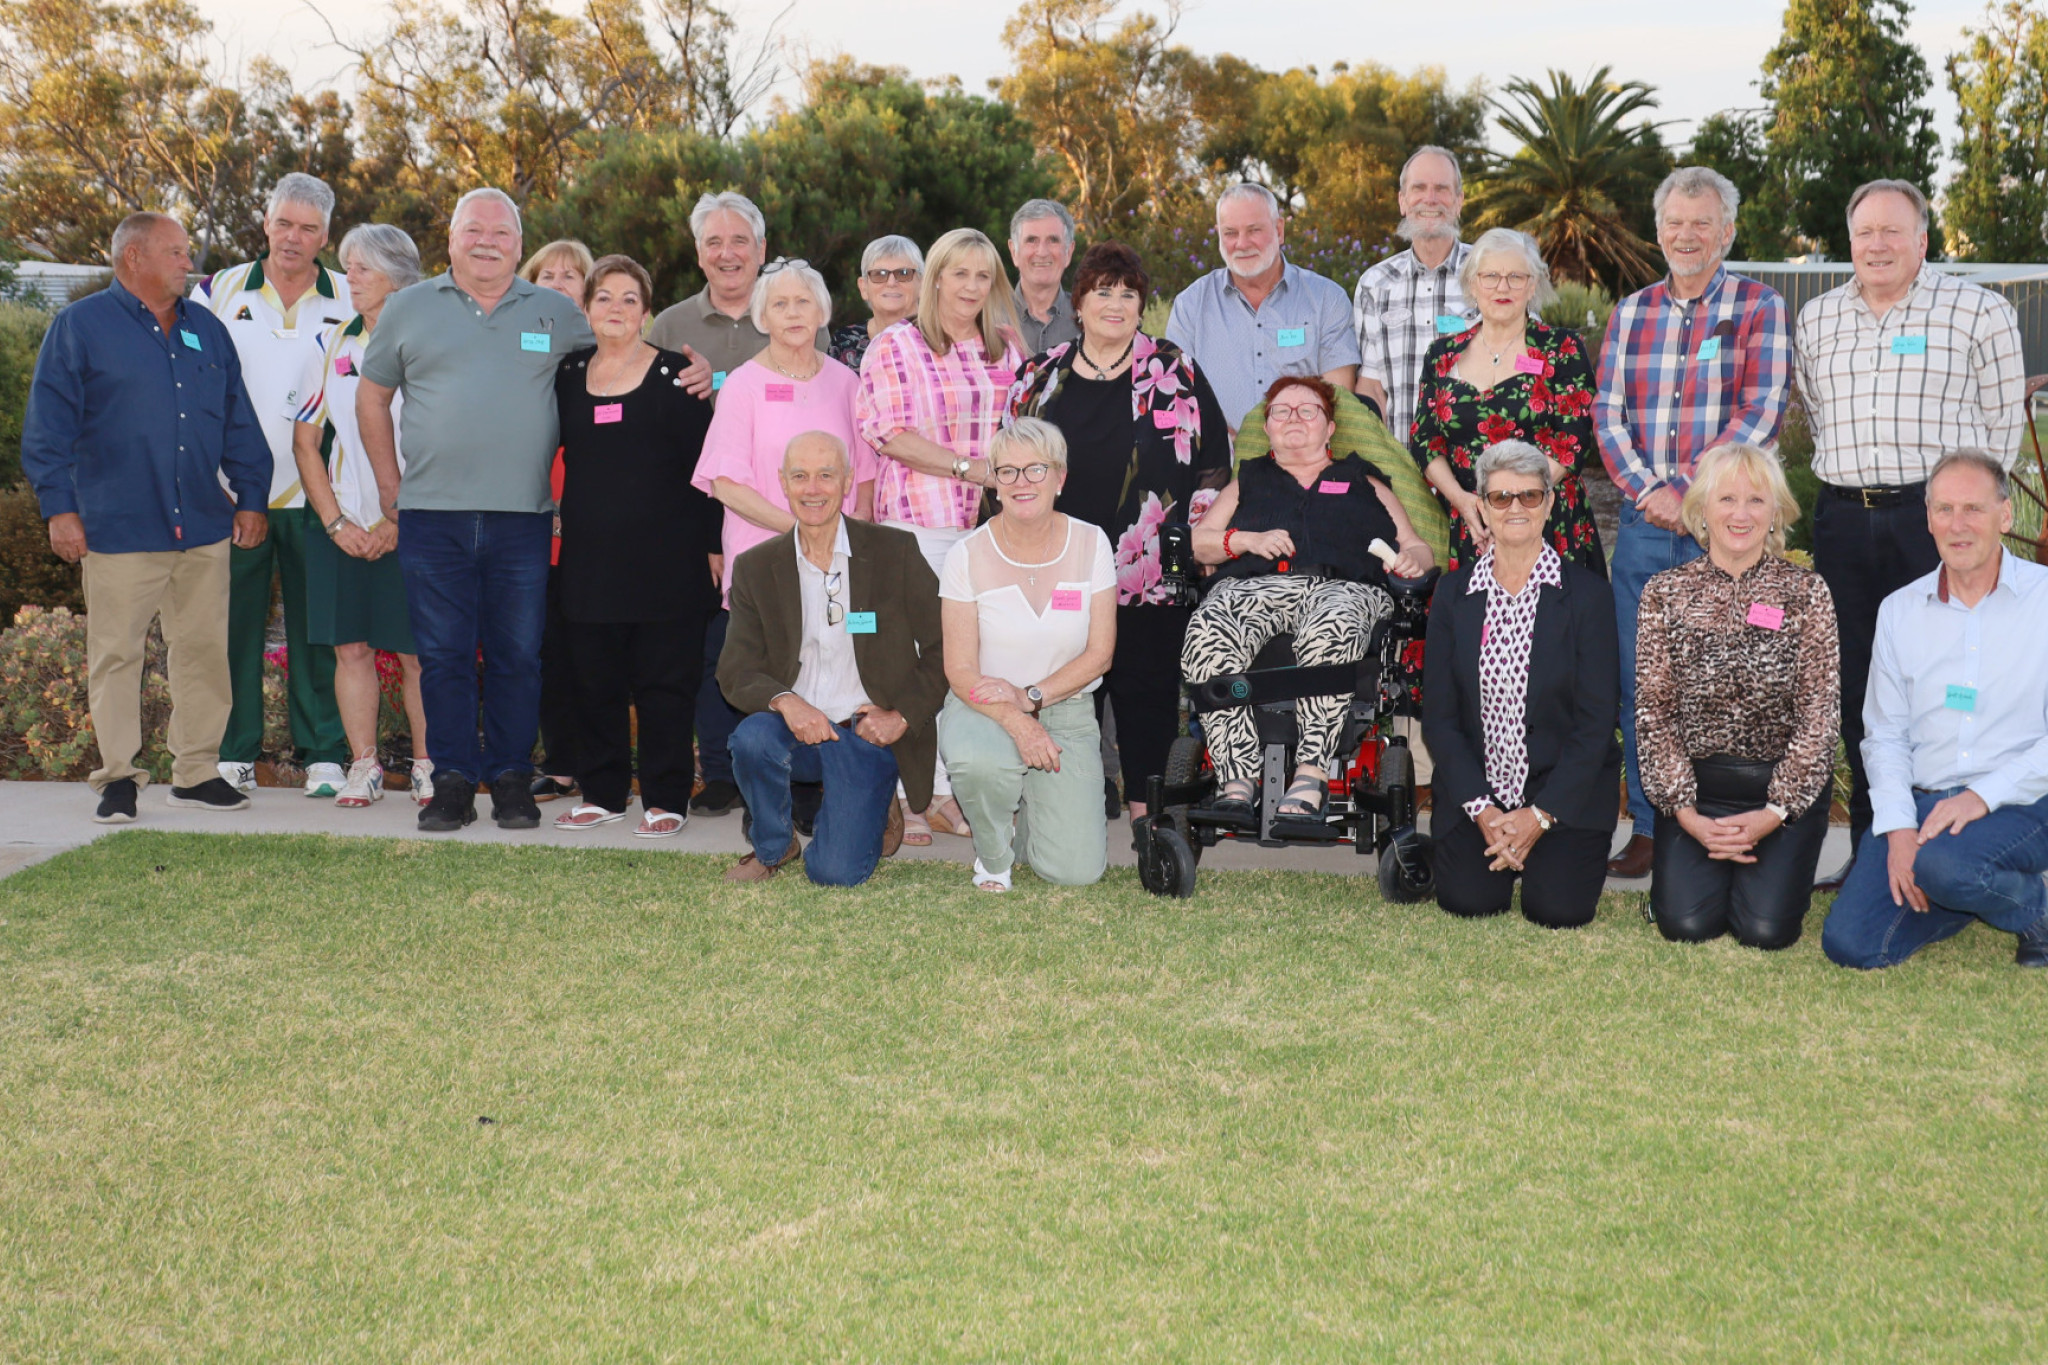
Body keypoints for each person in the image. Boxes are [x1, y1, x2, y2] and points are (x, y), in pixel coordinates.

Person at [1795, 179, 2027, 878]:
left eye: (1893, 231)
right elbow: (1815, 410)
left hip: (1934, 524)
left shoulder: (1977, 312)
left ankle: (1958, 842)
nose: (1877, 245)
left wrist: (1963, 521)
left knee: (1952, 676)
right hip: (1842, 519)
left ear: (1924, 240)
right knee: (1861, 685)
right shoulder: (1818, 319)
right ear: (1849, 241)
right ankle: (1875, 844)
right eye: (1864, 232)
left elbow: (2004, 433)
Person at [356, 187, 596, 832]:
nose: (488, 242)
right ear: (452, 238)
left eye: (502, 233)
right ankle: (454, 781)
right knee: (444, 655)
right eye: (474, 230)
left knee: (520, 656)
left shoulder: (557, 312)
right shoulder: (407, 308)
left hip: (524, 518)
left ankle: (513, 778)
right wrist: (387, 485)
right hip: (432, 517)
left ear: (520, 244)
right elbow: (372, 398)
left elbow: (611, 374)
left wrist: (688, 375)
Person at [21, 212, 271, 821]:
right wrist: (60, 509)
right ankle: (118, 780)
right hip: (118, 527)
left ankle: (195, 772)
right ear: (133, 258)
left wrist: (253, 496)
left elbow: (238, 420)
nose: (190, 262)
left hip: (203, 528)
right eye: (177, 252)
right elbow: (47, 429)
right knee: (116, 656)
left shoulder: (207, 331)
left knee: (204, 652)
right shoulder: (80, 327)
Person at [1597, 166, 1792, 880]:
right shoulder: (1631, 311)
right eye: (1675, 222)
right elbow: (1607, 415)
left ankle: (1727, 823)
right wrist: (1653, 491)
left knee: (1732, 678)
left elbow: (1761, 409)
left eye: (1702, 222)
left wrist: (1691, 493)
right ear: (1659, 230)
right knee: (1641, 681)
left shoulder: (1758, 307)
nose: (1687, 235)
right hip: (1646, 526)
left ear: (1728, 231)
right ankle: (1650, 827)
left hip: (1728, 527)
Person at [1007, 241, 1230, 822]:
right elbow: (1006, 471)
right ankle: (1061, 805)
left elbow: (1212, 465)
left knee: (1148, 693)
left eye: (1128, 294)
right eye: (1102, 291)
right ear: (1077, 303)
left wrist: (1200, 543)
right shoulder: (1040, 377)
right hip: (1057, 569)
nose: (1116, 303)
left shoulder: (1175, 369)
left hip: (1150, 569)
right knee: (1063, 691)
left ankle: (1148, 816)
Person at [1821, 451, 2048, 970]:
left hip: (2024, 801)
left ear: (2005, 516)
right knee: (1854, 945)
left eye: (1973, 508)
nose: (1958, 524)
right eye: (1944, 509)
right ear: (1927, 519)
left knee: (1947, 866)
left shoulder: (2044, 602)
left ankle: (2033, 907)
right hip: (1926, 809)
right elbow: (1884, 736)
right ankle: (1963, 886)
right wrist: (1899, 828)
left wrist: (1980, 797)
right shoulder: (1900, 610)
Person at [646, 191, 823, 820]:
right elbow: (654, 423)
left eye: (740, 241)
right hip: (694, 505)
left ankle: (795, 768)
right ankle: (719, 769)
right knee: (712, 648)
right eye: (714, 242)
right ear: (698, 253)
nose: (728, 253)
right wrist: (706, 539)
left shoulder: (792, 314)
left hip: (770, 509)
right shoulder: (668, 326)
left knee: (786, 642)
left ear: (762, 249)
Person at [1183, 376, 1433, 819]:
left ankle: (1312, 772)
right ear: (1268, 427)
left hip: (1344, 588)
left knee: (1332, 624)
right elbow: (1200, 542)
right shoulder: (1249, 480)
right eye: (1281, 411)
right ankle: (1236, 776)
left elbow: (1413, 544)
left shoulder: (1363, 479)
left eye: (1307, 410)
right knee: (1208, 627)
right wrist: (1243, 540)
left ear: (1330, 428)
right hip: (1253, 587)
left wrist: (1413, 560)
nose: (1293, 417)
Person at [694, 258, 880, 834]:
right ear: (762, 315)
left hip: (836, 564)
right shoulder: (744, 384)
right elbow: (725, 482)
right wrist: (798, 532)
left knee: (834, 667)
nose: (794, 313)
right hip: (765, 560)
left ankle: (818, 786)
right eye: (781, 304)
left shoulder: (846, 383)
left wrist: (853, 542)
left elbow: (866, 474)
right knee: (774, 674)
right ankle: (765, 799)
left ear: (822, 311)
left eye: (804, 302)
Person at [856, 226, 1026, 841]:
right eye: (960, 274)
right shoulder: (897, 345)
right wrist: (970, 469)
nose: (972, 287)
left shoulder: (1005, 347)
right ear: (936, 279)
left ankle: (954, 787)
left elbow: (1019, 428)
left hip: (986, 531)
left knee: (972, 662)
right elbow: (887, 434)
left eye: (983, 276)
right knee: (914, 659)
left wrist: (1004, 481)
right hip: (916, 526)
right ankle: (911, 792)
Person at [718, 432, 947, 885]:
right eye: (800, 476)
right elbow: (736, 669)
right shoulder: (755, 567)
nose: (813, 488)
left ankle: (874, 807)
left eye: (826, 475)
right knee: (750, 740)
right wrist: (787, 701)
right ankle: (773, 845)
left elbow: (946, 648)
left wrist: (900, 716)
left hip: (865, 736)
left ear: (847, 481)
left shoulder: (894, 552)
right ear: (782, 483)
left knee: (834, 873)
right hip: (793, 728)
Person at [1635, 444, 1839, 949]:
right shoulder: (1664, 593)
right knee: (1685, 926)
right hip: (1697, 793)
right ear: (1703, 508)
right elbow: (1653, 711)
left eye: (1756, 500)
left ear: (1775, 513)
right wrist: (1687, 815)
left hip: (1781, 794)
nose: (1741, 514)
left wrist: (1775, 812)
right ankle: (1681, 873)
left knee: (1764, 932)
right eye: (1726, 498)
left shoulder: (1808, 593)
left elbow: (1820, 714)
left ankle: (1773, 877)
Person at [193, 173, 354, 797]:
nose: (293, 237)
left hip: (321, 495)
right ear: (265, 222)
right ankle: (233, 751)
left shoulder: (349, 295)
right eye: (284, 222)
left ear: (326, 236)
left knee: (322, 628)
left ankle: (323, 754)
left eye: (308, 228)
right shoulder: (216, 292)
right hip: (236, 496)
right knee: (234, 627)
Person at [549, 255, 721, 837]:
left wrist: (713, 545)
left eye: (629, 299)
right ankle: (603, 793)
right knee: (593, 681)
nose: (616, 309)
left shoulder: (679, 376)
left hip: (668, 563)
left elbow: (708, 471)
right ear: (588, 308)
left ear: (646, 312)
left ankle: (666, 798)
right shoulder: (568, 374)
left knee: (664, 685)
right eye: (604, 298)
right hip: (589, 563)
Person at [1422, 441, 1621, 929]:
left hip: (1563, 798)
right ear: (1482, 506)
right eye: (1501, 497)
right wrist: (1485, 811)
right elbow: (1441, 720)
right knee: (1469, 901)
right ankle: (1493, 833)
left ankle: (1542, 841)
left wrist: (1540, 816)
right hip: (1478, 798)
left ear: (1550, 504)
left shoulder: (1589, 596)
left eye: (1530, 497)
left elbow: (1596, 723)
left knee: (1557, 910)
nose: (1515, 508)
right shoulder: (1453, 594)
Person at [288, 223, 433, 810]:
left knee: (418, 654)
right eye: (348, 267)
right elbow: (305, 444)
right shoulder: (330, 345)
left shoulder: (430, 342)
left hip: (418, 524)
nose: (348, 279)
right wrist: (336, 524)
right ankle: (364, 767)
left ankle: (428, 767)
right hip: (341, 526)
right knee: (351, 649)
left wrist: (397, 521)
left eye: (361, 269)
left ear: (397, 278)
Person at [938, 419, 1116, 891]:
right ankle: (994, 857)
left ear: (1060, 478)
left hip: (1067, 707)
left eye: (1036, 470)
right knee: (981, 765)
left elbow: (1100, 655)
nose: (1022, 483)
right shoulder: (966, 553)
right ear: (993, 481)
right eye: (1008, 471)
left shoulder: (1092, 542)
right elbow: (958, 668)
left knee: (1074, 873)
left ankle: (1033, 816)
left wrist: (1032, 698)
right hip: (985, 705)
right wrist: (1018, 718)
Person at [1409, 227, 1604, 578]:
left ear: (1532, 286)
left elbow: (1573, 440)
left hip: (1545, 519)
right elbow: (1425, 441)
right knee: (1476, 629)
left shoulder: (1562, 349)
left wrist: (1517, 507)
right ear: (1472, 285)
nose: (1503, 287)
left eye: (1516, 276)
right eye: (1491, 276)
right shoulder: (1441, 355)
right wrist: (1467, 502)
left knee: (1552, 630)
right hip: (1472, 522)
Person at [1164, 182, 1361, 433]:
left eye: (1254, 230)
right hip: (1222, 464)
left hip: (1306, 463)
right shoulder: (1190, 307)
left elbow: (1339, 402)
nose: (1242, 243)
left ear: (1279, 230)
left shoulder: (1326, 300)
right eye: (1230, 233)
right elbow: (1177, 400)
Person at [521, 238, 597, 805]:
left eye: (572, 275)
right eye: (548, 274)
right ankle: (562, 760)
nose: (559, 283)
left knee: (593, 648)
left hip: (595, 521)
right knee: (545, 648)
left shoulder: (605, 354)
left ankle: (601, 760)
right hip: (526, 515)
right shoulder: (516, 350)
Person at [1352, 146, 1477, 441]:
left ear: (1459, 202)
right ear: (1402, 201)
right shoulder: (1374, 284)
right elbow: (1370, 388)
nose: (1430, 199)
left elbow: (1526, 369)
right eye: (1419, 188)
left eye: (1442, 189)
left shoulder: (1492, 275)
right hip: (1400, 474)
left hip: (1477, 470)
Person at [829, 235, 922, 372]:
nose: (891, 283)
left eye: (903, 273)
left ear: (922, 284)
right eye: (879, 274)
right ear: (863, 287)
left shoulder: (942, 339)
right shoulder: (843, 341)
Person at [1008, 199, 1080, 355]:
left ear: (1068, 252)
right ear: (1014, 251)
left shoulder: (1088, 319)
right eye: (1031, 240)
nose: (1042, 252)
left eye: (1053, 240)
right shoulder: (988, 319)